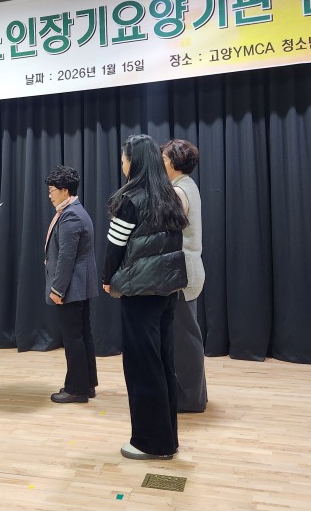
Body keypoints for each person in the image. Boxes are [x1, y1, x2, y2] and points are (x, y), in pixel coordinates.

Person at [101, 135, 188, 460]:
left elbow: (115, 245)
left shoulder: (130, 199)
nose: (122, 163)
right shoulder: (170, 196)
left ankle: (149, 442)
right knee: (163, 362)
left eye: (124, 158)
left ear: (133, 162)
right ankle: (167, 439)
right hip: (167, 290)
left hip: (139, 290)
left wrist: (107, 279)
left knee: (142, 366)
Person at [44, 165, 99, 404]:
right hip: (79, 286)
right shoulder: (74, 211)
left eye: (52, 190)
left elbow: (66, 257)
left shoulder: (71, 215)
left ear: (65, 191)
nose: (50, 195)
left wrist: (57, 289)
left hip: (71, 287)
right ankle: (87, 384)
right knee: (82, 335)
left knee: (73, 338)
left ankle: (76, 389)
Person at [161, 139, 208, 413]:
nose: (161, 163)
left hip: (183, 272)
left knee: (185, 338)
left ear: (174, 162)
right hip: (188, 270)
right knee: (187, 334)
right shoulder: (187, 185)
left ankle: (190, 399)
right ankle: (194, 395)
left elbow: (166, 230)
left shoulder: (178, 191)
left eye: (164, 159)